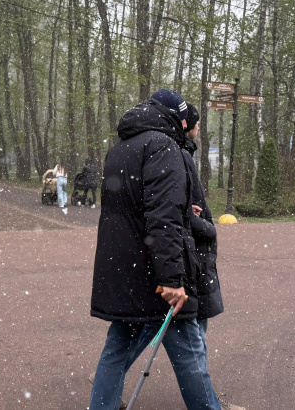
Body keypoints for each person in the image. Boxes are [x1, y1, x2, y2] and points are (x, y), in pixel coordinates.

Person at [90, 89, 236, 410]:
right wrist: (172, 279)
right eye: (186, 120)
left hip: (124, 270)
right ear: (178, 120)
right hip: (156, 276)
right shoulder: (163, 147)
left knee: (115, 352)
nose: (187, 126)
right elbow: (162, 218)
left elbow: (131, 213)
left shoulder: (120, 148)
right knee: (190, 356)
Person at [180, 103, 224, 343]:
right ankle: (198, 377)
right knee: (194, 326)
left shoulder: (181, 152)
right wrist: (207, 229)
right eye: (197, 124)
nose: (198, 128)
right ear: (189, 126)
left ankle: (113, 371)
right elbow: (184, 207)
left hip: (193, 242)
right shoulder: (182, 154)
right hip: (194, 245)